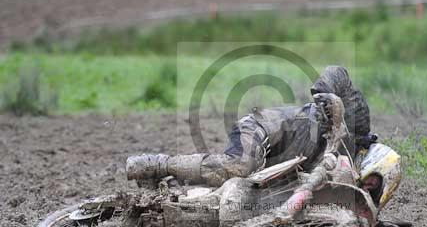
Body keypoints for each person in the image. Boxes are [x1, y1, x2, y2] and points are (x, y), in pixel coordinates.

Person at [126, 65, 374, 189]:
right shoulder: (353, 114)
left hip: (274, 164)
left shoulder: (346, 165)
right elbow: (336, 72)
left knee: (238, 191)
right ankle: (157, 163)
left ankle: (173, 181)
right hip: (260, 129)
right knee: (240, 166)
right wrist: (329, 100)